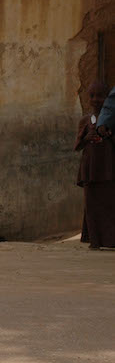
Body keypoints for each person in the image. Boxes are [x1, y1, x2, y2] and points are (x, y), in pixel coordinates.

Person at [75, 81, 115, 249]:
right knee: (91, 205)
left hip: (108, 168)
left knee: (110, 204)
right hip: (90, 169)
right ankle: (95, 241)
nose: (96, 100)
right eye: (92, 96)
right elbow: (77, 146)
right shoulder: (86, 120)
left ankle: (111, 240)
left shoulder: (111, 122)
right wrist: (86, 137)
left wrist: (109, 134)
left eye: (101, 96)